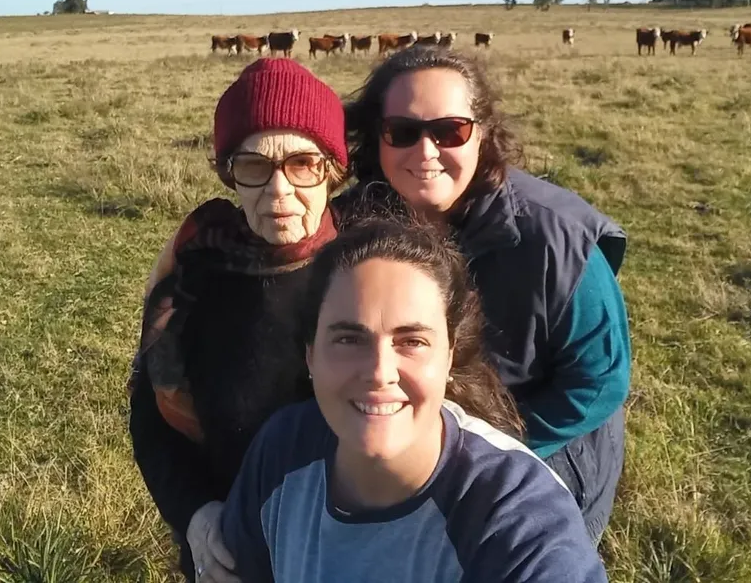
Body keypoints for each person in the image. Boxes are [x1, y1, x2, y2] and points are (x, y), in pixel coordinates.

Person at [339, 44, 630, 542]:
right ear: (376, 137)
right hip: (405, 445)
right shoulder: (352, 226)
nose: (426, 152)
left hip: (540, 447)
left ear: (482, 134)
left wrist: (489, 451)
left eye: (449, 131)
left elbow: (599, 380)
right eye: (402, 131)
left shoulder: (555, 238)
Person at [221, 218, 608, 583]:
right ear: (310, 354)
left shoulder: (519, 518)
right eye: (349, 339)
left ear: (450, 355)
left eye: (412, 342)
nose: (379, 372)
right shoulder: (283, 450)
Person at [129, 57, 348, 583]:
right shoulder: (195, 271)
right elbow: (151, 415)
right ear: (230, 174)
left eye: (303, 163)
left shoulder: (369, 271)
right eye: (254, 166)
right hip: (227, 547)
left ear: (333, 172)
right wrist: (195, 514)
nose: (278, 191)